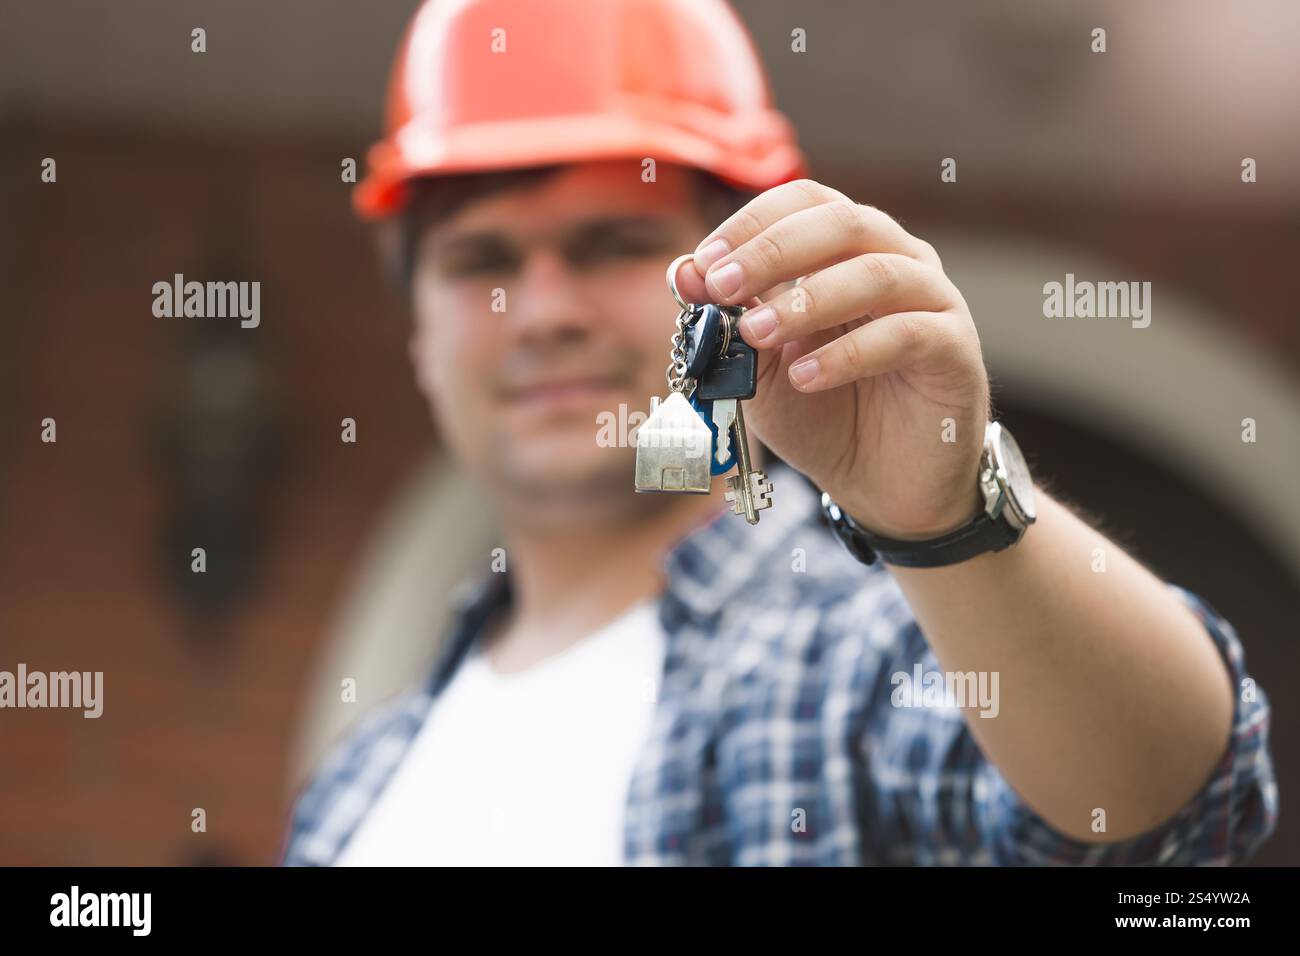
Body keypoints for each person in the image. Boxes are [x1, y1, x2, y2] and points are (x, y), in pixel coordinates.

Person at [280, 0, 1276, 866]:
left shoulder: (855, 649)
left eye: (613, 244)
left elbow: (1169, 809)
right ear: (418, 336)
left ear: (744, 282)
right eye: (480, 260)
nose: (544, 311)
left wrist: (949, 516)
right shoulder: (358, 777)